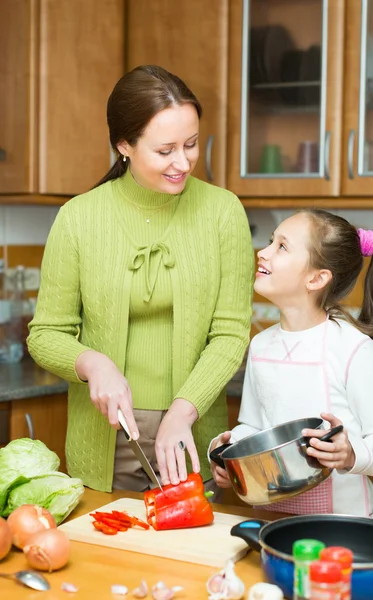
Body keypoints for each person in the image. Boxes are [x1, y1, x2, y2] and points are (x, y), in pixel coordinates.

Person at [27, 65, 254, 494]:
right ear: (124, 145)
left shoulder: (223, 212)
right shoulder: (79, 218)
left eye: (191, 144)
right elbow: (45, 335)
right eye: (165, 150)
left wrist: (183, 412)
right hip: (105, 441)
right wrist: (93, 364)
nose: (183, 161)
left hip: (191, 434)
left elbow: (230, 334)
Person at [210, 209, 373, 517]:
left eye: (282, 247)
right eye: (272, 241)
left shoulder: (353, 349)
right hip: (275, 517)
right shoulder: (261, 345)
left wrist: (350, 453)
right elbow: (253, 425)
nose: (263, 252)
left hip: (343, 524)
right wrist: (227, 451)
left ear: (316, 278)